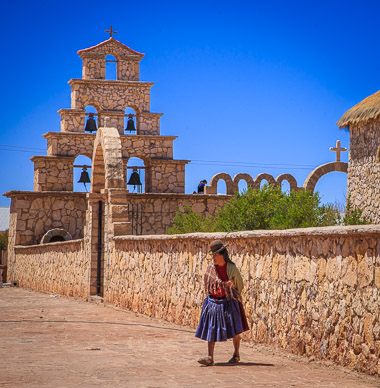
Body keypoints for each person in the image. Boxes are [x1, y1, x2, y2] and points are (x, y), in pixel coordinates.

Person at [195, 240, 249, 366]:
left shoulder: (231, 268)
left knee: (235, 329)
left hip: (229, 302)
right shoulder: (211, 269)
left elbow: (239, 285)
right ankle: (210, 357)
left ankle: (236, 354)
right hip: (214, 302)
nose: (213, 258)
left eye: (215, 255)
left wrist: (232, 285)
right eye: (212, 255)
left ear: (222, 255)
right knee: (211, 328)